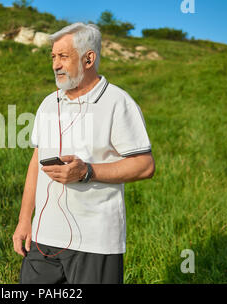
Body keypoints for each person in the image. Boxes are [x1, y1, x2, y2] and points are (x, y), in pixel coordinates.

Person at [12, 22, 155, 284]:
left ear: (89, 58)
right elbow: (36, 163)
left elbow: (145, 165)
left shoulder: (118, 102)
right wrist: (24, 220)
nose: (55, 64)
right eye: (53, 57)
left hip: (95, 242)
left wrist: (87, 171)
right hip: (44, 238)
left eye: (64, 56)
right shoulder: (48, 103)